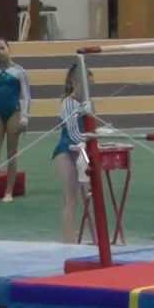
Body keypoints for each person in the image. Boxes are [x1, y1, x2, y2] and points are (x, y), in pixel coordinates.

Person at [0, 36, 31, 203]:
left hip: (14, 113)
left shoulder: (19, 71)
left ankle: (8, 191)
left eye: (2, 48)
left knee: (11, 154)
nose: (0, 52)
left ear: (8, 48)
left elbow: (25, 96)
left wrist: (25, 117)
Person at [54, 63, 93, 244]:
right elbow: (74, 134)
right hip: (66, 152)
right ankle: (68, 243)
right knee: (71, 200)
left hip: (82, 152)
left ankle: (95, 239)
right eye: (85, 85)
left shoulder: (86, 103)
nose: (88, 88)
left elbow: (92, 127)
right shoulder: (68, 103)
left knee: (90, 199)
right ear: (75, 83)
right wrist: (92, 139)